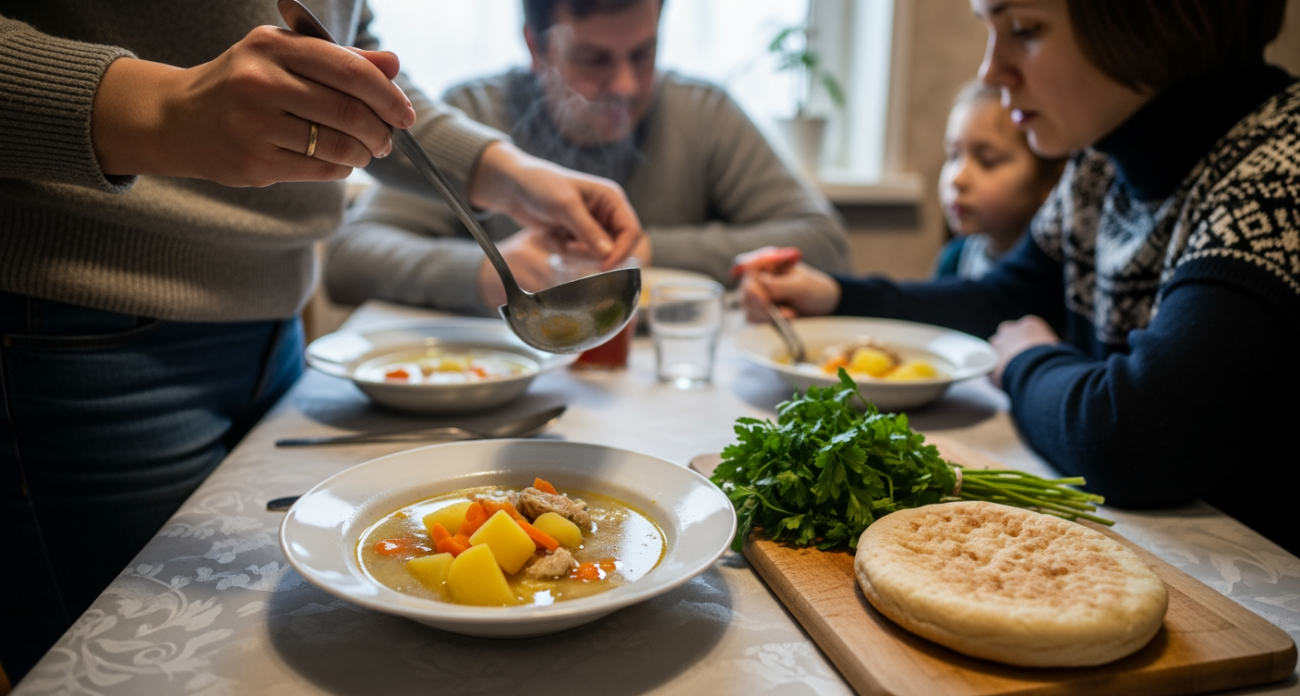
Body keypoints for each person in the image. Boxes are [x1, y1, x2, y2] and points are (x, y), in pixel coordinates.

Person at [0, 2, 642, 682]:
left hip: (274, 332)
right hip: (74, 326)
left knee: (244, 650)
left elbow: (351, 60)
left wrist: (504, 170)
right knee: (126, 669)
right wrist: (164, 108)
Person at [740, 0, 1299, 555]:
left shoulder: (1280, 170)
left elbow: (1137, 438)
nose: (990, 71)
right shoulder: (1100, 162)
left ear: (1153, 20)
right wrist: (838, 296)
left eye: (1025, 29)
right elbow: (1002, 299)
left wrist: (1026, 360)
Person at [325, 0, 851, 316]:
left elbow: (824, 243)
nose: (625, 85)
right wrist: (487, 273)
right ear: (536, 47)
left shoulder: (703, 113)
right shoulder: (472, 111)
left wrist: (643, 253)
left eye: (643, 53)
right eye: (593, 59)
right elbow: (350, 260)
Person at [933, 81, 1064, 280]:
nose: (957, 179)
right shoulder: (954, 260)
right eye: (953, 156)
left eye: (988, 161)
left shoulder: (1059, 275)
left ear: (1048, 182)